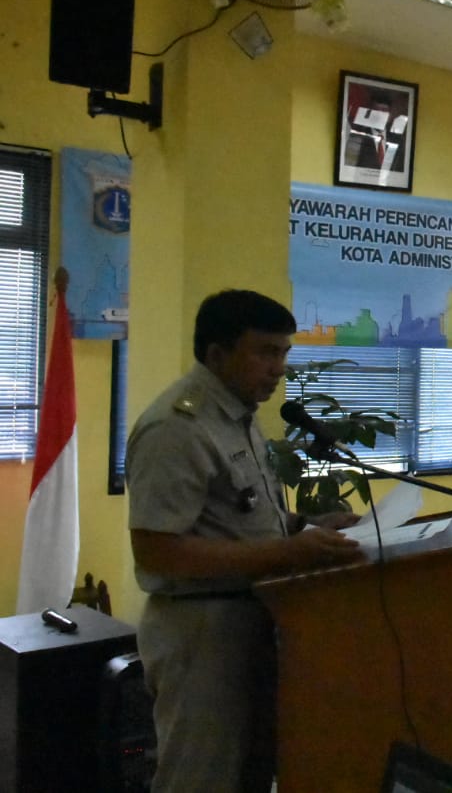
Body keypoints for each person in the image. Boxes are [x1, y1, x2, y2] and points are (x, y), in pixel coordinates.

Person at [127, 289, 365, 793]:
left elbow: (244, 515)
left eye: (284, 353)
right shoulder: (178, 426)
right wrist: (286, 552)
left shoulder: (238, 415)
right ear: (217, 354)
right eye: (265, 351)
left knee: (251, 774)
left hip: (253, 618)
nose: (279, 367)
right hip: (201, 629)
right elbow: (156, 549)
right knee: (200, 778)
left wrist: (304, 525)